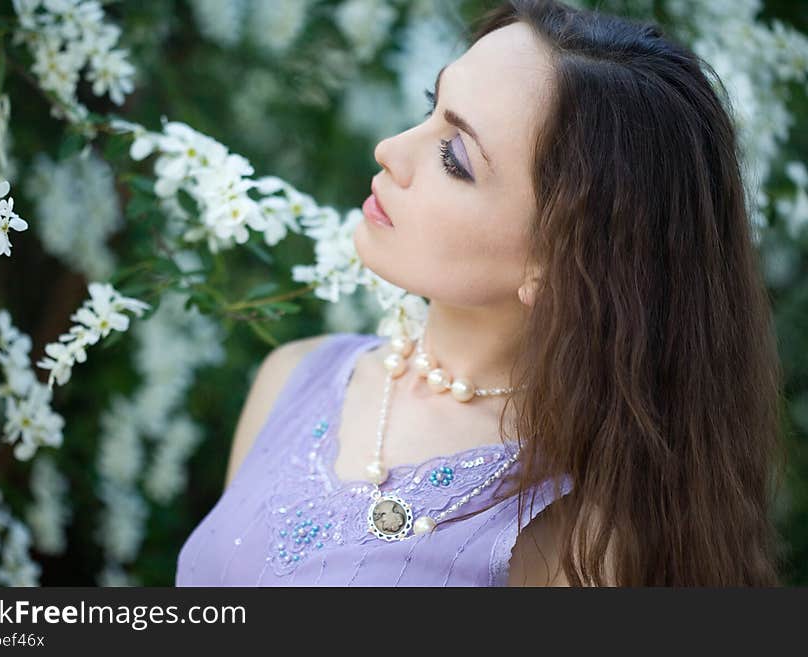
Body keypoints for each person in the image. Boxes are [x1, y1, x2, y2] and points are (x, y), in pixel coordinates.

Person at [176, 0, 785, 587]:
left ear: (558, 261)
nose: (390, 150)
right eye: (430, 106)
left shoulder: (579, 537)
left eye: (454, 156)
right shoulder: (292, 377)